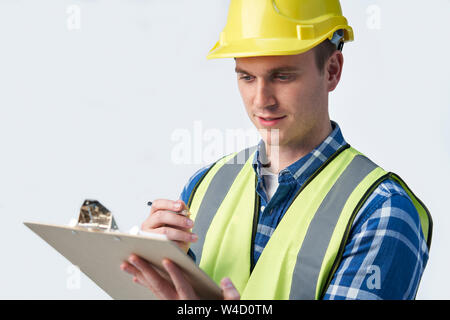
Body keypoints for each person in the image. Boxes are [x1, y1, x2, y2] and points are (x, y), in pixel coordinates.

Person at [120, 0, 432, 300]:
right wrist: (153, 270)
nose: (261, 100)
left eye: (282, 76)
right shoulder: (204, 187)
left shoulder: (380, 209)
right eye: (246, 77)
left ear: (332, 70)